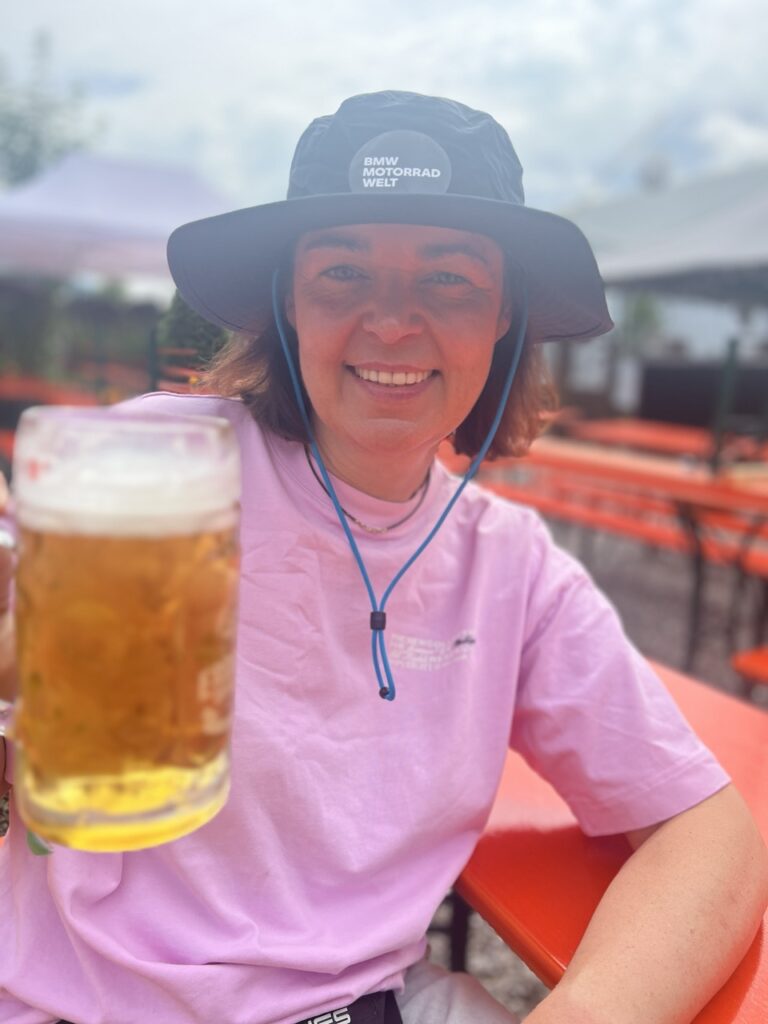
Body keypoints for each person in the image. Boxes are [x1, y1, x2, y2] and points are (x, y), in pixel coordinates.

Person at [1, 90, 767, 1024]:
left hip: (359, 1004)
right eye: (343, 272)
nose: (393, 321)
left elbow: (707, 829)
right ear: (289, 302)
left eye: (448, 278)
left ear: (504, 315)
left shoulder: (508, 565)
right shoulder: (154, 468)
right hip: (77, 1000)